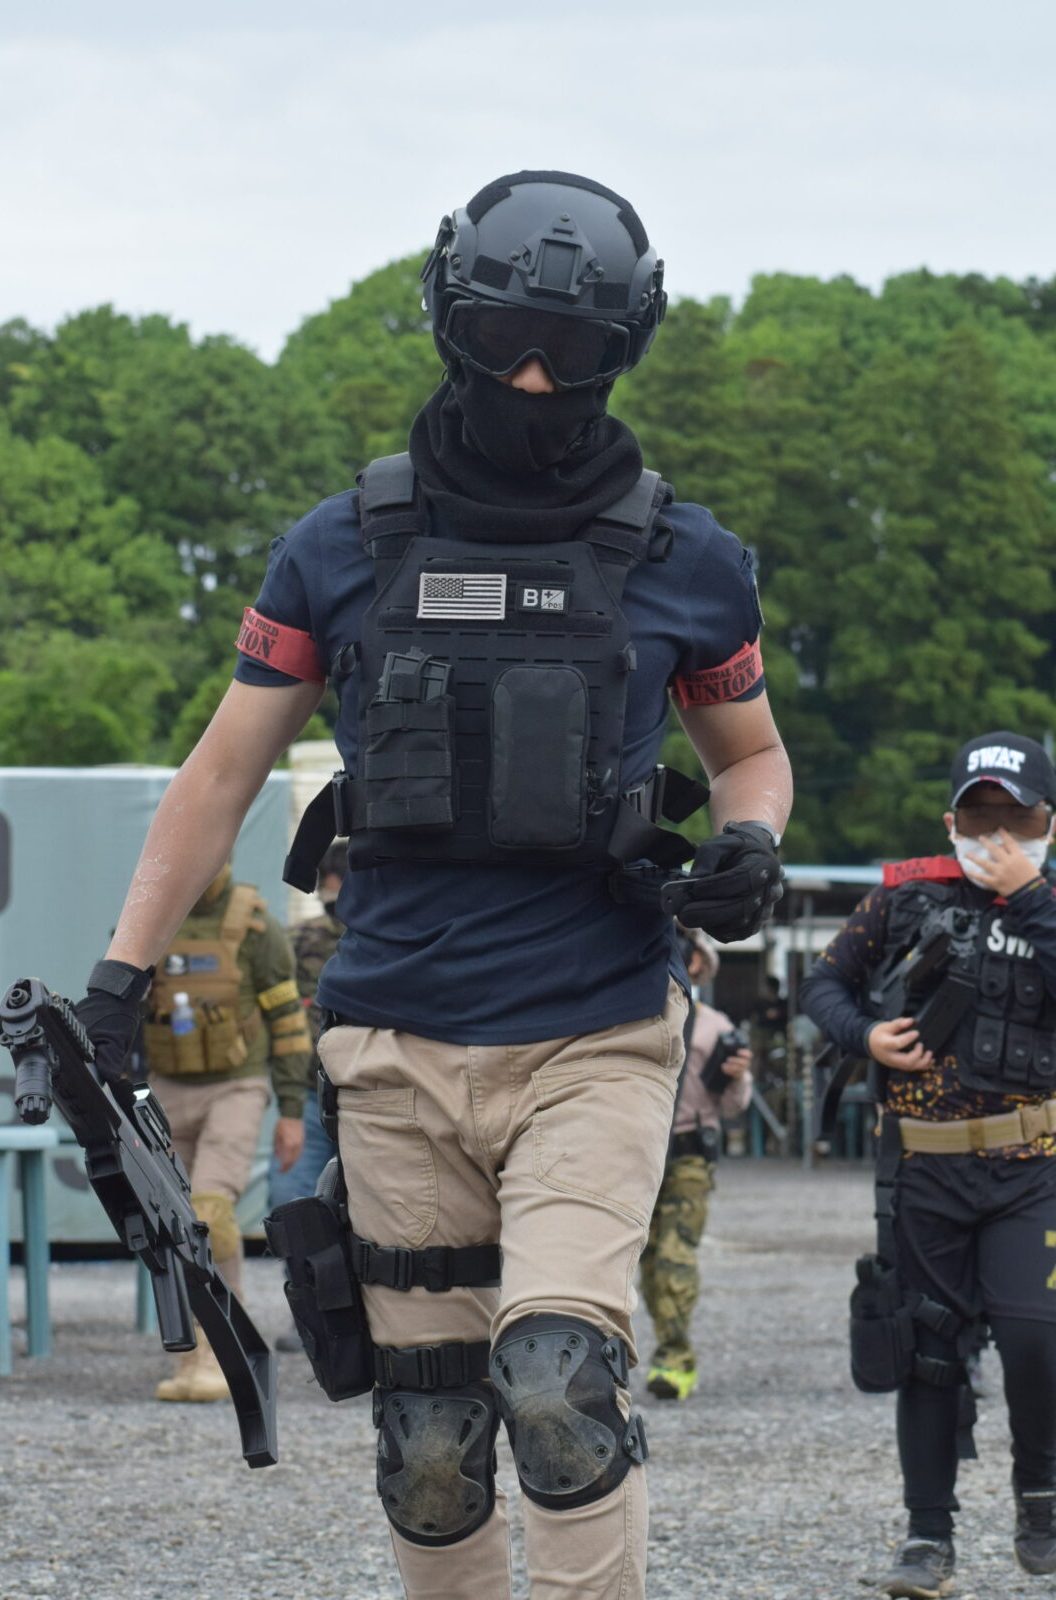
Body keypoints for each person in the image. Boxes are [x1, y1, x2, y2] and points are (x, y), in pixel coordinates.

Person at [73, 170, 790, 1599]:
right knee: (433, 1441)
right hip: (394, 1045)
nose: (531, 378)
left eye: (568, 350)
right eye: (503, 339)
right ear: (449, 325)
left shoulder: (685, 559)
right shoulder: (341, 546)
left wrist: (751, 843)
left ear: (619, 349)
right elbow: (218, 774)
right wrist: (118, 974)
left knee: (559, 1387)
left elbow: (750, 755)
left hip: (595, 1032)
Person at [800, 731, 1056, 1598]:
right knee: (928, 1352)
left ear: (1049, 824)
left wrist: (1030, 898)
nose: (999, 836)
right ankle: (927, 1537)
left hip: (1033, 1166)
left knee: (1036, 1337)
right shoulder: (906, 900)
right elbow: (823, 985)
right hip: (925, 1170)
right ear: (951, 822)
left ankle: (1041, 1496)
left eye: (1018, 820)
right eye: (980, 818)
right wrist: (865, 1034)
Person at [141, 860, 314, 1401]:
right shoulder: (151, 919)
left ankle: (222, 1355)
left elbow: (288, 1024)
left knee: (210, 1215)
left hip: (236, 1086)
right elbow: (123, 1012)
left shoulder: (255, 925)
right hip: (165, 1089)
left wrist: (291, 1111)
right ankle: (192, 1358)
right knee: (173, 1225)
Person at [641, 934, 753, 1401]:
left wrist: (737, 1077)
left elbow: (733, 1107)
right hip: (640, 1151)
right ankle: (666, 1345)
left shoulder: (714, 1027)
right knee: (647, 1261)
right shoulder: (636, 1017)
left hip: (688, 1154)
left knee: (676, 1255)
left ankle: (675, 1357)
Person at [271, 842, 348, 1352]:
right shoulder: (301, 941)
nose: (334, 911)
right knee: (292, 1205)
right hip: (310, 1095)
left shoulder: (398, 941)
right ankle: (317, 1321)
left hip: (373, 1097)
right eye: (326, 900)